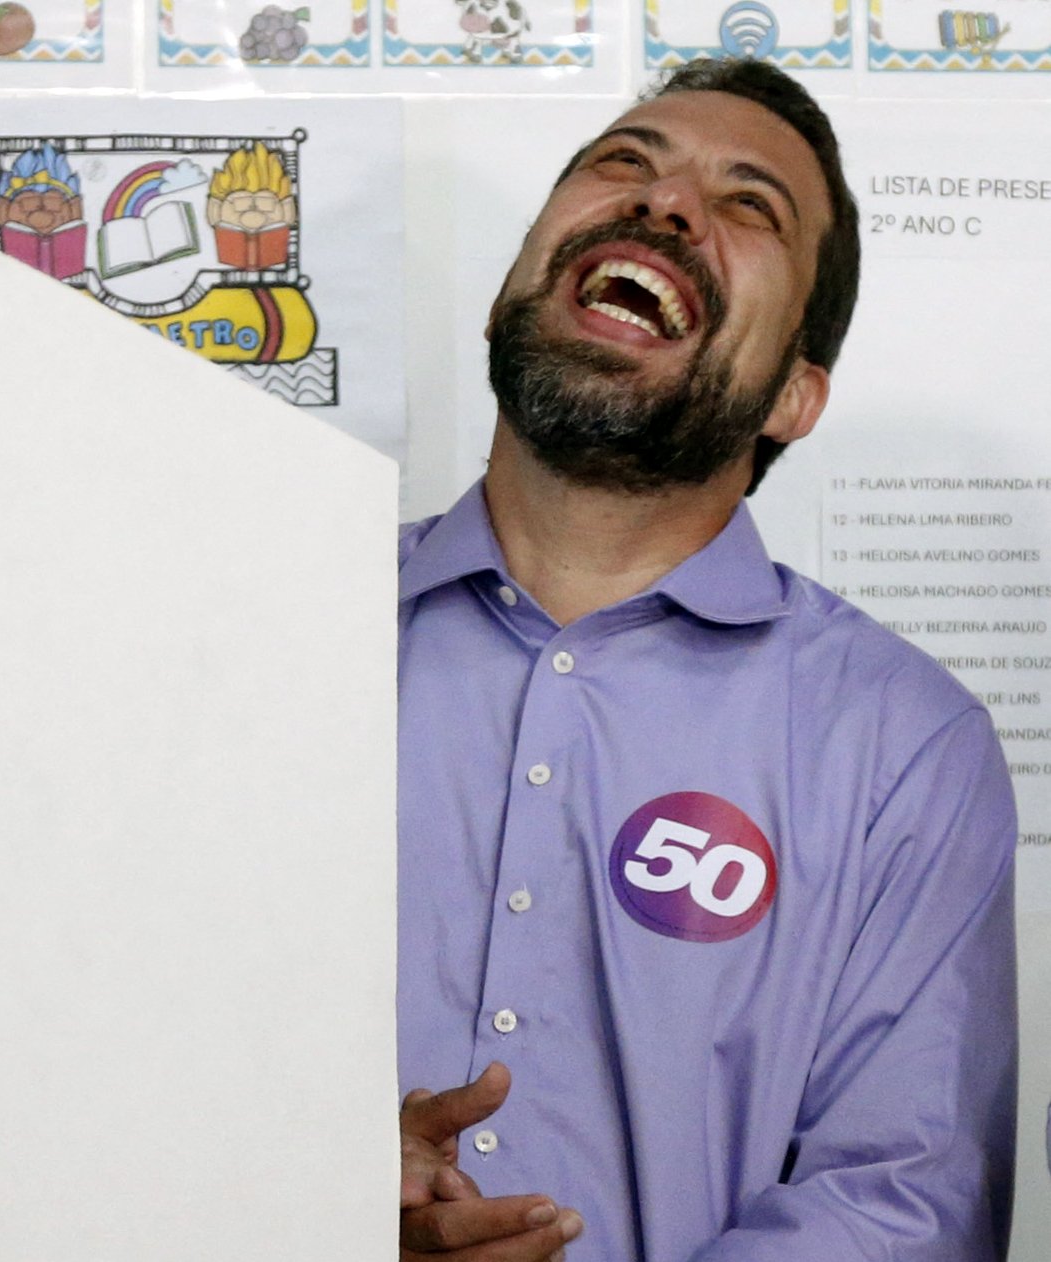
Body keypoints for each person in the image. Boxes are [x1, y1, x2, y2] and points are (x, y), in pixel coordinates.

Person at [396, 58, 1018, 1260]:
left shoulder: (901, 744)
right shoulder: (268, 630)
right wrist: (280, 1190)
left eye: (749, 205)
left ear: (792, 394)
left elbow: (903, 1206)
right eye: (622, 162)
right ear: (502, 297)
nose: (663, 204)